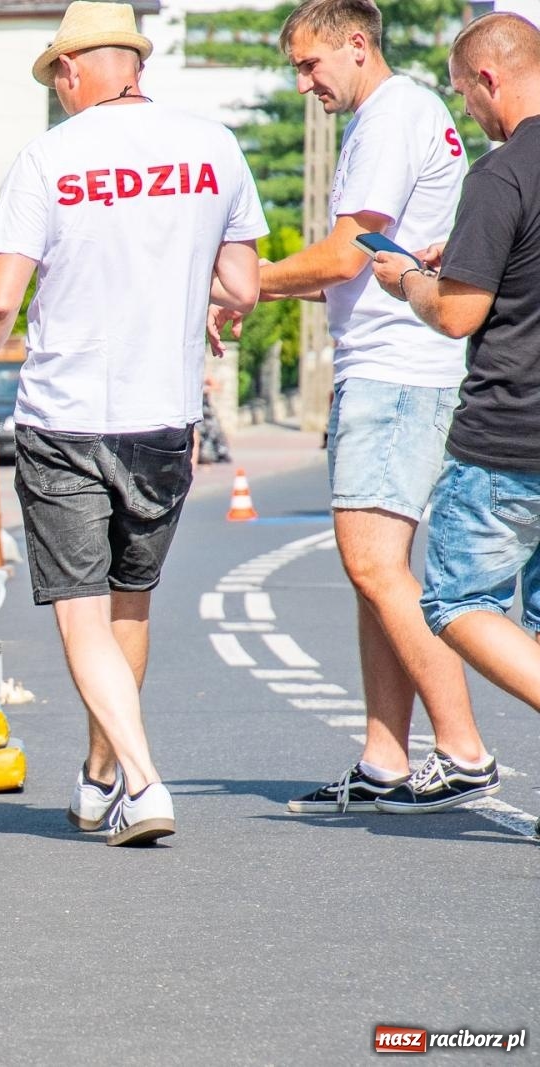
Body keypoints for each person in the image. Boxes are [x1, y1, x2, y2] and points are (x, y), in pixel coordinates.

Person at [0, 1, 265, 846]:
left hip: (67, 418)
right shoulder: (214, 147)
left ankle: (144, 779)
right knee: (130, 604)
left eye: (57, 73)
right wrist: (179, 282)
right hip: (165, 418)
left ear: (76, 68)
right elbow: (243, 286)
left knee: (82, 615)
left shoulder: (50, 158)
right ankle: (98, 778)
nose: (58, 88)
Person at [239, 0, 496, 815]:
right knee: (375, 575)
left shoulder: (389, 118)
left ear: (357, 44)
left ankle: (463, 750)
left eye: (310, 64)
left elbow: (345, 259)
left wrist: (239, 281)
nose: (304, 83)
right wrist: (255, 294)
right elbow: (354, 265)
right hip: (397, 369)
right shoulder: (398, 113)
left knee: (375, 565)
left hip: (395, 372)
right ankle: (385, 757)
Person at [367, 13, 540, 809]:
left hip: (509, 437)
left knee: (458, 602)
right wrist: (468, 255)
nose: (468, 109)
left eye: (465, 92)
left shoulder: (502, 174)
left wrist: (407, 280)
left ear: (489, 78)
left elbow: (459, 313)